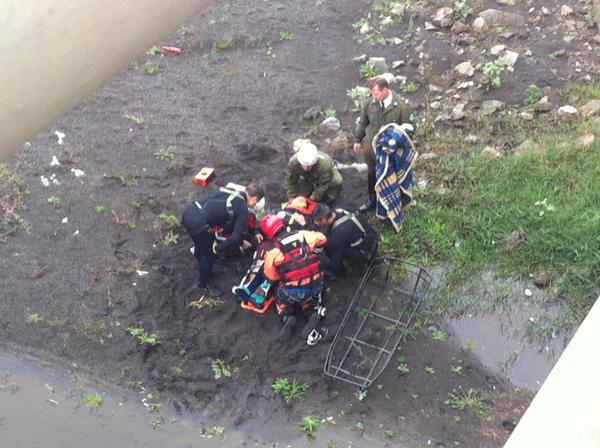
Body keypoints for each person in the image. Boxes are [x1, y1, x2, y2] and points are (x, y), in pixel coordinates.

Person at [181, 182, 265, 297]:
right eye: (257, 202)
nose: (255, 205)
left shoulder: (231, 191)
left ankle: (204, 265)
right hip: (198, 223)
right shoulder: (243, 209)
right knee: (208, 254)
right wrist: (218, 248)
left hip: (190, 211)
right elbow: (235, 238)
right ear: (254, 199)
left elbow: (226, 224)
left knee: (200, 244)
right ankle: (203, 283)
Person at [260, 215, 329, 345]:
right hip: (317, 286)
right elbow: (322, 238)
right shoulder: (303, 235)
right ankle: (310, 312)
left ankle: (286, 316)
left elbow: (271, 276)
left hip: (294, 293)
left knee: (278, 292)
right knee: (307, 296)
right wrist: (314, 250)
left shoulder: (273, 251)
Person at [353, 77, 412, 213]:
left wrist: (396, 142)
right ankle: (372, 200)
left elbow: (410, 128)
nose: (374, 96)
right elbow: (363, 122)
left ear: (385, 89)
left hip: (391, 150)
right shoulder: (369, 103)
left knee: (390, 175)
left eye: (377, 93)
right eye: (373, 93)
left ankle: (392, 202)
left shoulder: (402, 106)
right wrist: (357, 140)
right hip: (371, 147)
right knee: (372, 172)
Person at [312, 203, 379, 276]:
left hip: (366, 251)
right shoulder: (339, 208)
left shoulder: (338, 236)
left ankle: (347, 271)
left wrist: (319, 263)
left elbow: (335, 265)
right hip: (371, 236)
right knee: (334, 242)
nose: (317, 224)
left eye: (318, 221)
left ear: (324, 219)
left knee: (334, 249)